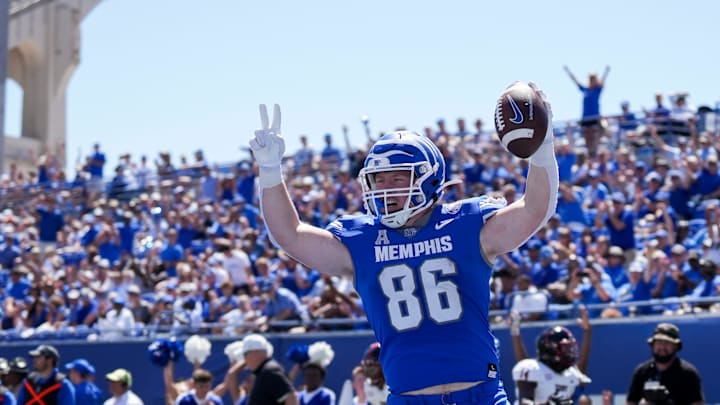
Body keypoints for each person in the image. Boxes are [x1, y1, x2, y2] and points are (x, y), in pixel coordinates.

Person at [249, 81, 558, 403]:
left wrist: (542, 147)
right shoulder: (361, 241)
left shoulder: (465, 225)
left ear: (430, 178)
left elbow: (534, 210)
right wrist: (270, 172)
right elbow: (290, 235)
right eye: (379, 180)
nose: (386, 189)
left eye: (398, 178)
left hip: (480, 394)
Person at [510, 308, 592, 404]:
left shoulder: (571, 375)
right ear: (551, 350)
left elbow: (582, 366)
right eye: (565, 349)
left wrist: (588, 331)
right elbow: (525, 400)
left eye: (570, 348)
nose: (570, 353)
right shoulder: (532, 369)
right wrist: (515, 333)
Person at [626, 323, 704, 405]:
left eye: (667, 343)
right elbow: (631, 401)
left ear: (676, 346)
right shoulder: (642, 371)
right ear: (653, 344)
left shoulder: (688, 373)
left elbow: (697, 402)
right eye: (659, 342)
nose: (662, 347)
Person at [239, 334, 297, 405]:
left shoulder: (270, 371)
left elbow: (290, 397)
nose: (245, 360)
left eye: (245, 355)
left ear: (254, 353)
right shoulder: (263, 371)